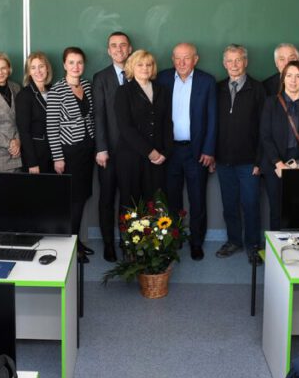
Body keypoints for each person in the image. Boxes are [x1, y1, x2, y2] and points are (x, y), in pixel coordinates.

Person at [157, 42, 217, 261]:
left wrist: (209, 150)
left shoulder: (207, 81)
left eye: (187, 57)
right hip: (169, 151)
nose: (182, 62)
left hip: (197, 152)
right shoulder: (162, 79)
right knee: (171, 199)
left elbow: (213, 118)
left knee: (197, 199)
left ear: (195, 59)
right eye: (178, 58)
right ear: (172, 59)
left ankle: (196, 242)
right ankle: (174, 240)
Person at [214, 45, 266, 261]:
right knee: (229, 205)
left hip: (249, 162)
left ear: (245, 62)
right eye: (229, 60)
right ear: (224, 63)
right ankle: (234, 241)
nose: (234, 65)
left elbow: (265, 128)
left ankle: (253, 245)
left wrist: (259, 160)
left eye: (238, 60)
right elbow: (211, 123)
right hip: (223, 160)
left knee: (251, 205)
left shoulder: (258, 89)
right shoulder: (217, 88)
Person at [46, 47, 96, 261]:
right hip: (69, 151)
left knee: (82, 197)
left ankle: (76, 242)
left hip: (87, 149)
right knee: (73, 199)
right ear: (64, 65)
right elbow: (51, 127)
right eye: (71, 62)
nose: (76, 66)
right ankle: (71, 246)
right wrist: (58, 157)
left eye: (80, 62)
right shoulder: (57, 91)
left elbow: (91, 117)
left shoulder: (87, 85)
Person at [260, 60, 299, 230]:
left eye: (298, 76)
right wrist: (278, 163)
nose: (293, 80)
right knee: (276, 210)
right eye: (289, 76)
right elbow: (265, 136)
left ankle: (296, 246)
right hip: (274, 163)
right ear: (283, 79)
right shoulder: (271, 102)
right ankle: (274, 246)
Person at [91, 31, 133, 263]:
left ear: (130, 49)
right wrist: (101, 148)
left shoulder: (139, 73)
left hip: (133, 153)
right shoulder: (101, 77)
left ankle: (127, 242)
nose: (119, 49)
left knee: (129, 199)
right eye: (114, 46)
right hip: (108, 151)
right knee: (106, 199)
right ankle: (108, 244)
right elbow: (98, 115)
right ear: (108, 51)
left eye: (123, 45)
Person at [113, 50, 172, 210]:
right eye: (140, 64)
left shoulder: (162, 90)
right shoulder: (123, 92)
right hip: (131, 156)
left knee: (156, 203)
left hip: (158, 158)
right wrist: (150, 152)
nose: (145, 68)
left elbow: (167, 123)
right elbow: (125, 127)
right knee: (131, 204)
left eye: (149, 64)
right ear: (132, 66)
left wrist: (165, 152)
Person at [15, 52, 54, 174]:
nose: (38, 71)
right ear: (29, 72)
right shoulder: (24, 95)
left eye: (41, 66)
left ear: (47, 68)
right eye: (33, 68)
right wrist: (32, 162)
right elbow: (24, 132)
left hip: (54, 155)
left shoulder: (54, 91)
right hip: (36, 156)